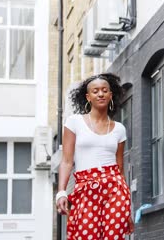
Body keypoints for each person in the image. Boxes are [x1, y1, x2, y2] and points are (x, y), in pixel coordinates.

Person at [55, 73, 134, 240]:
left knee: (114, 237)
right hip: (85, 188)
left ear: (111, 95)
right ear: (88, 97)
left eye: (105, 90)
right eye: (95, 91)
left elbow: (120, 168)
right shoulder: (74, 122)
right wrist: (61, 192)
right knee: (86, 235)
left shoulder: (119, 129)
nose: (100, 94)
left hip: (115, 188)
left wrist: (127, 211)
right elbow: (67, 161)